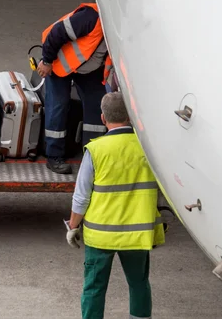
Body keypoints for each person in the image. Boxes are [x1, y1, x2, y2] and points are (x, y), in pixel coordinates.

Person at [65, 92, 165, 319]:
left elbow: (81, 197)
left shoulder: (96, 150)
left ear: (103, 118)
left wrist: (73, 226)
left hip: (100, 235)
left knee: (94, 287)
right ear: (129, 116)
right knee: (139, 283)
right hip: (137, 234)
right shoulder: (147, 148)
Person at [37, 3, 113, 174]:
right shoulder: (90, 17)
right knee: (58, 105)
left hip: (89, 69)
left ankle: (93, 156)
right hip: (59, 64)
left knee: (97, 105)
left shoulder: (118, 29)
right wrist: (47, 61)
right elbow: (56, 33)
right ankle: (54, 156)